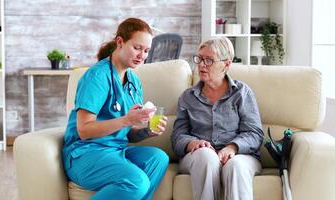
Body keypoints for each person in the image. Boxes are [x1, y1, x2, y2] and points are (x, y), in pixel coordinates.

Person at [62, 18, 169, 200]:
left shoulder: (134, 82)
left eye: (146, 51)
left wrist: (146, 132)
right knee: (137, 181)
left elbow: (126, 134)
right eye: (137, 48)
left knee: (158, 158)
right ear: (120, 42)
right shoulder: (97, 77)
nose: (142, 55)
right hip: (85, 153)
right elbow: (84, 130)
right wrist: (127, 119)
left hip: (115, 150)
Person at [171, 36, 264, 200]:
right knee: (206, 156)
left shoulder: (242, 93)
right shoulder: (187, 97)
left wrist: (233, 147)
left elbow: (255, 133)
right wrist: (192, 143)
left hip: (239, 155)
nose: (201, 65)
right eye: (199, 59)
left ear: (226, 64)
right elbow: (177, 137)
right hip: (199, 157)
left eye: (208, 60)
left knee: (235, 166)